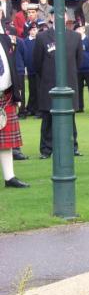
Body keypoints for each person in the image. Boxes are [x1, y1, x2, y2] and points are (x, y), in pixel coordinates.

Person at [33, 11, 83, 159]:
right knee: (48, 118)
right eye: (56, 15)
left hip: (69, 83)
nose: (60, 17)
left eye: (63, 14)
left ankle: (72, 147)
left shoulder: (75, 36)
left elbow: (79, 60)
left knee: (70, 116)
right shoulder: (42, 37)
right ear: (51, 18)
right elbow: (37, 62)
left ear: (67, 18)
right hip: (49, 83)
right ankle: (46, 150)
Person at [0, 31, 29, 187]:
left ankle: (9, 178)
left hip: (6, 94)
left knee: (6, 142)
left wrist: (16, 93)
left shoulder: (5, 40)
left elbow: (12, 66)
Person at [74, 24, 89, 114]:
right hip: (78, 69)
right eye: (77, 29)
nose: (79, 30)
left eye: (80, 29)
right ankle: (79, 106)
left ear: (83, 29)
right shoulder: (74, 41)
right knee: (78, 89)